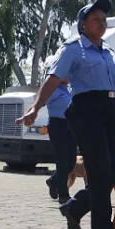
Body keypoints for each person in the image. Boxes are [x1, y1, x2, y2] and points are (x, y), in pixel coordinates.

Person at [17, 0, 115, 229]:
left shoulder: (108, 52)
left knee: (110, 174)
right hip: (86, 109)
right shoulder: (74, 49)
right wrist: (36, 107)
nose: (102, 23)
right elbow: (54, 79)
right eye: (96, 19)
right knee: (98, 171)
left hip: (110, 111)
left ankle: (74, 208)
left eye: (104, 19)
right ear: (83, 24)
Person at [43, 56, 78, 205]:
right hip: (58, 125)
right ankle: (63, 194)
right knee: (63, 161)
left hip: (71, 126)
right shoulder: (52, 90)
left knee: (71, 161)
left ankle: (53, 180)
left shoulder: (68, 90)